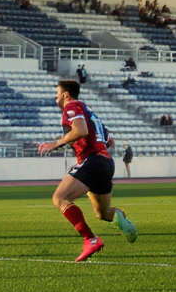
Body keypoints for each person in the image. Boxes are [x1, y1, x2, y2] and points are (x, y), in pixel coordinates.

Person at [36, 80, 139, 262]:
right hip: (105, 162)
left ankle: (90, 239)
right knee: (103, 213)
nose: (56, 97)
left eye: (58, 93)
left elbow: (81, 130)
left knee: (59, 198)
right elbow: (109, 140)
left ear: (66, 94)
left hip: (92, 161)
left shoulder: (72, 106)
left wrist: (57, 143)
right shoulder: (88, 110)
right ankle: (119, 216)